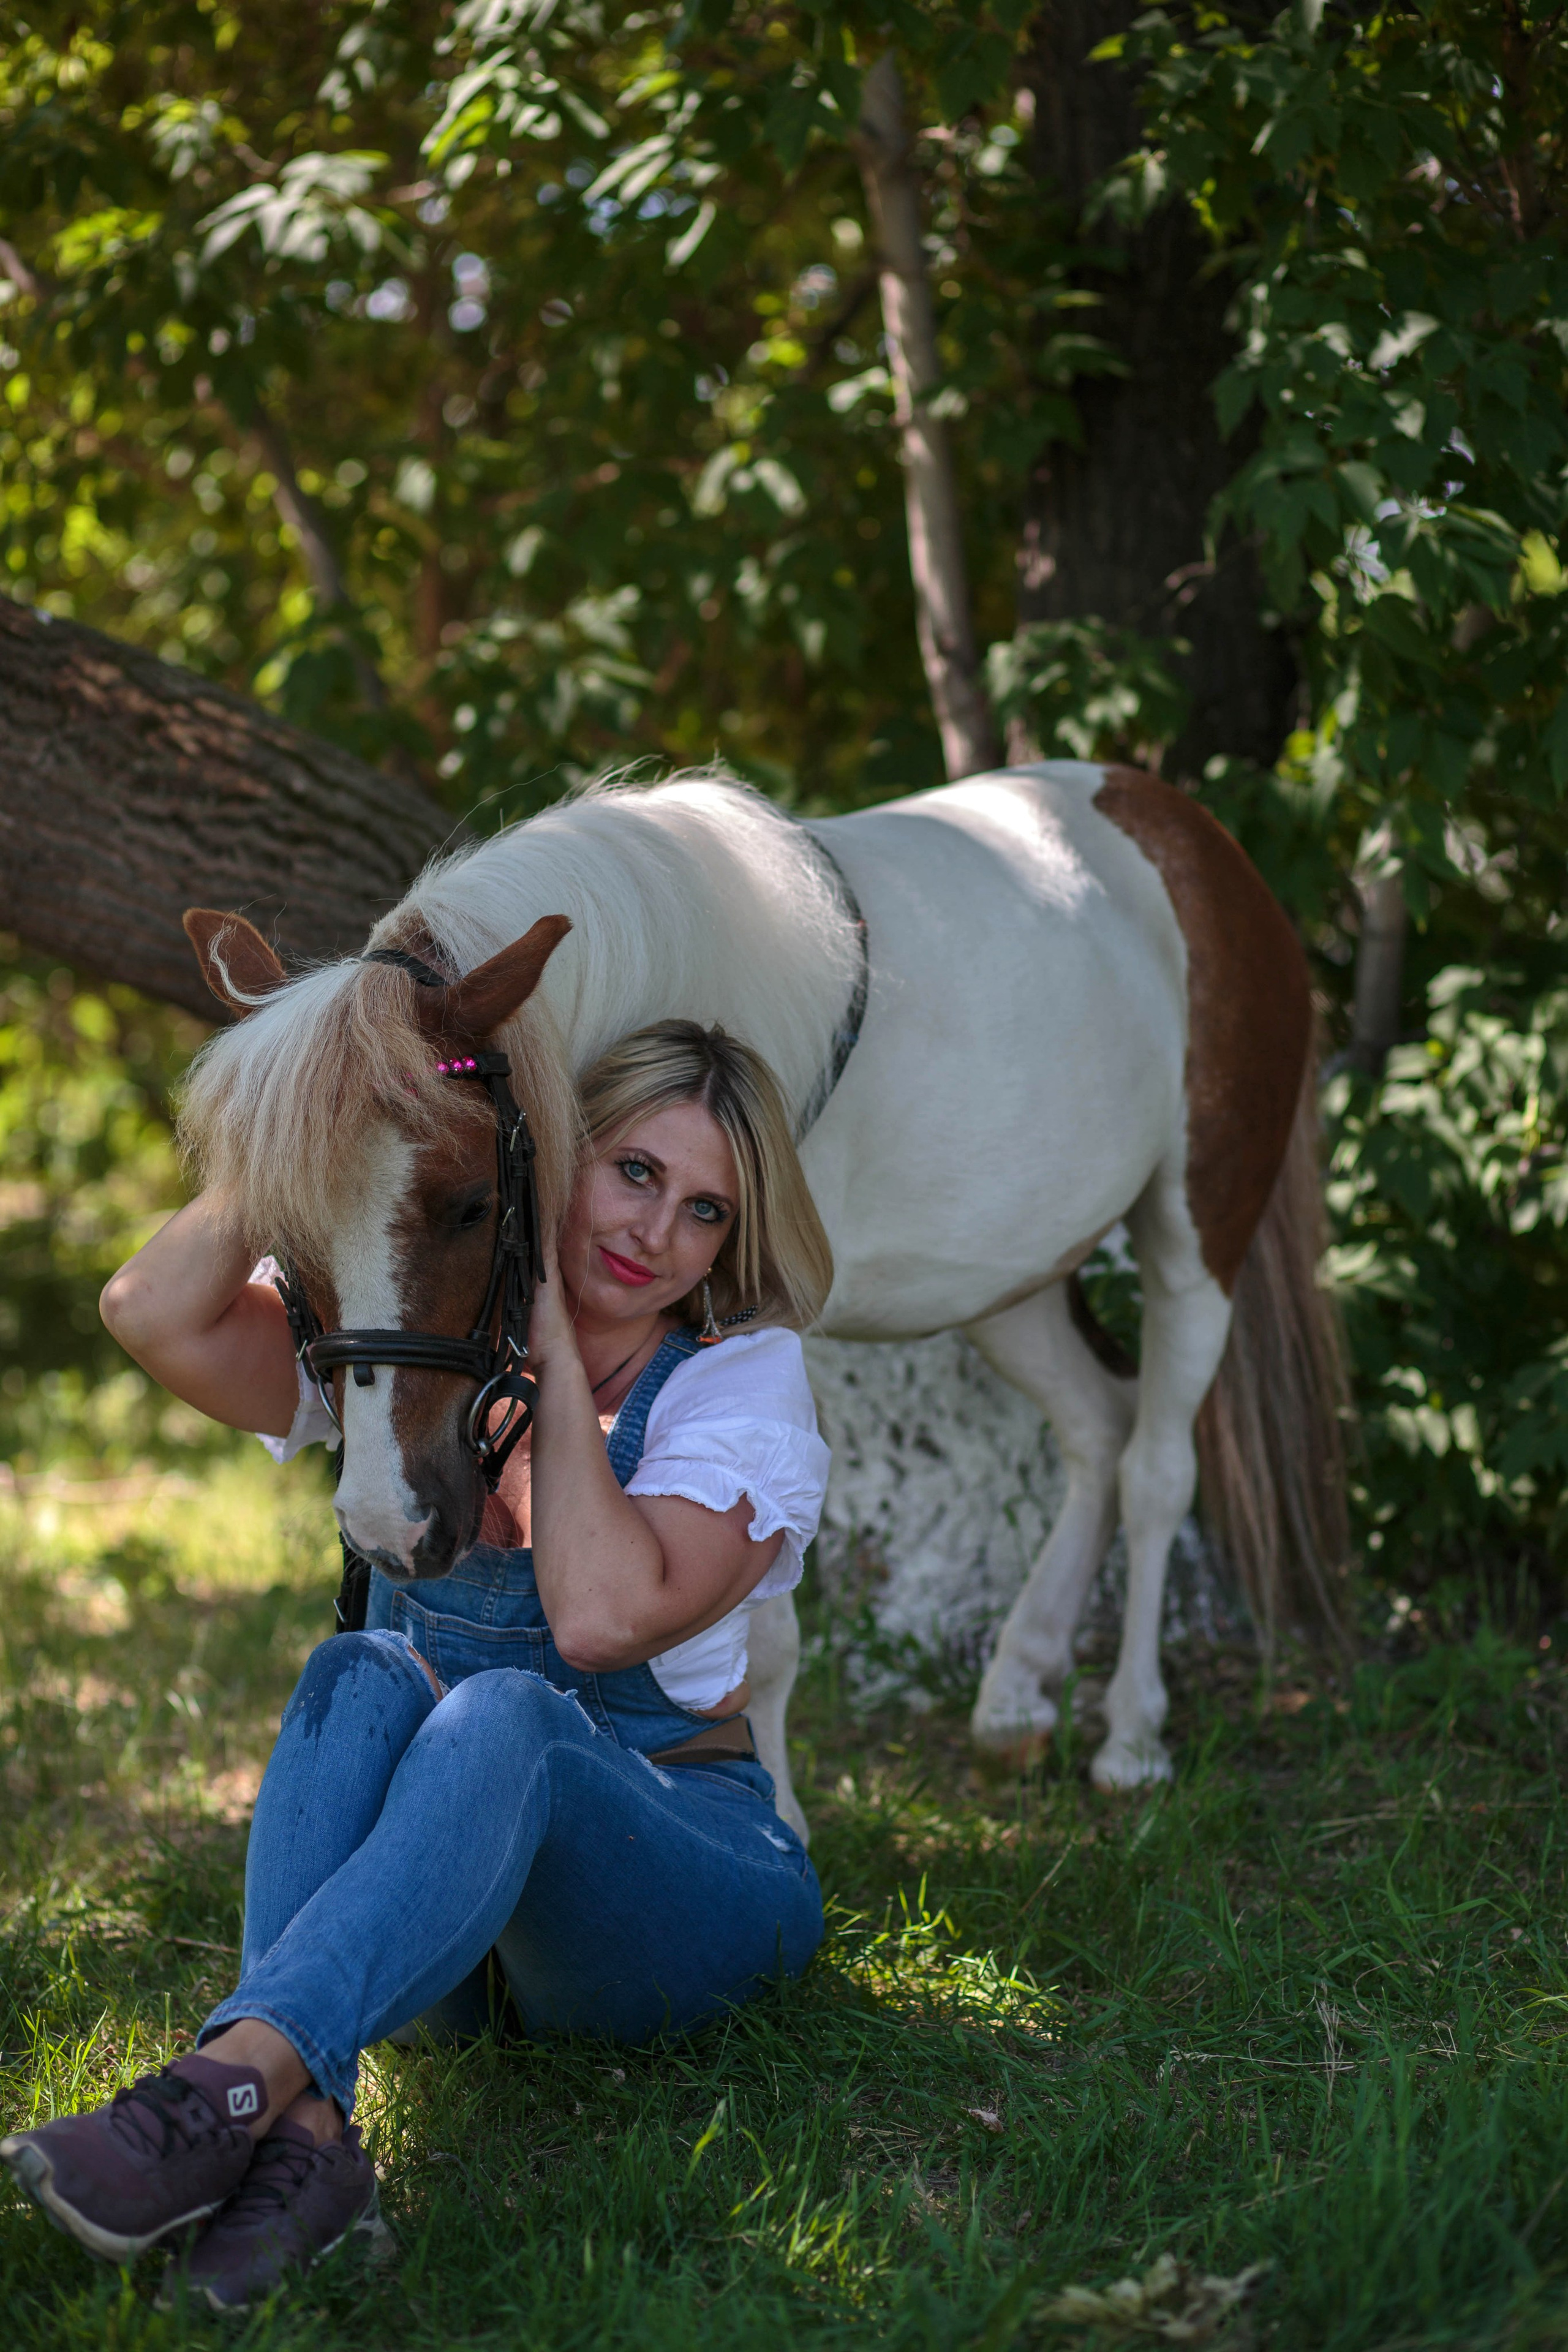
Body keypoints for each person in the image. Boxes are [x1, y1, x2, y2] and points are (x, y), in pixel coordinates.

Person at [2, 1020, 832, 2312]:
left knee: (505, 1710)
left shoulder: (736, 1387)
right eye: (630, 1172)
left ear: (730, 1242)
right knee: (356, 1675)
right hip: (451, 1935)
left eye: (703, 1209)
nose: (654, 1232)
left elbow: (604, 1622)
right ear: (549, 1157)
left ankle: (218, 2088)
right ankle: (311, 2148)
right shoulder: (425, 1351)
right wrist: (319, 1105)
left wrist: (558, 1372)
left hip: (680, 1894)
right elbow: (146, 1310)